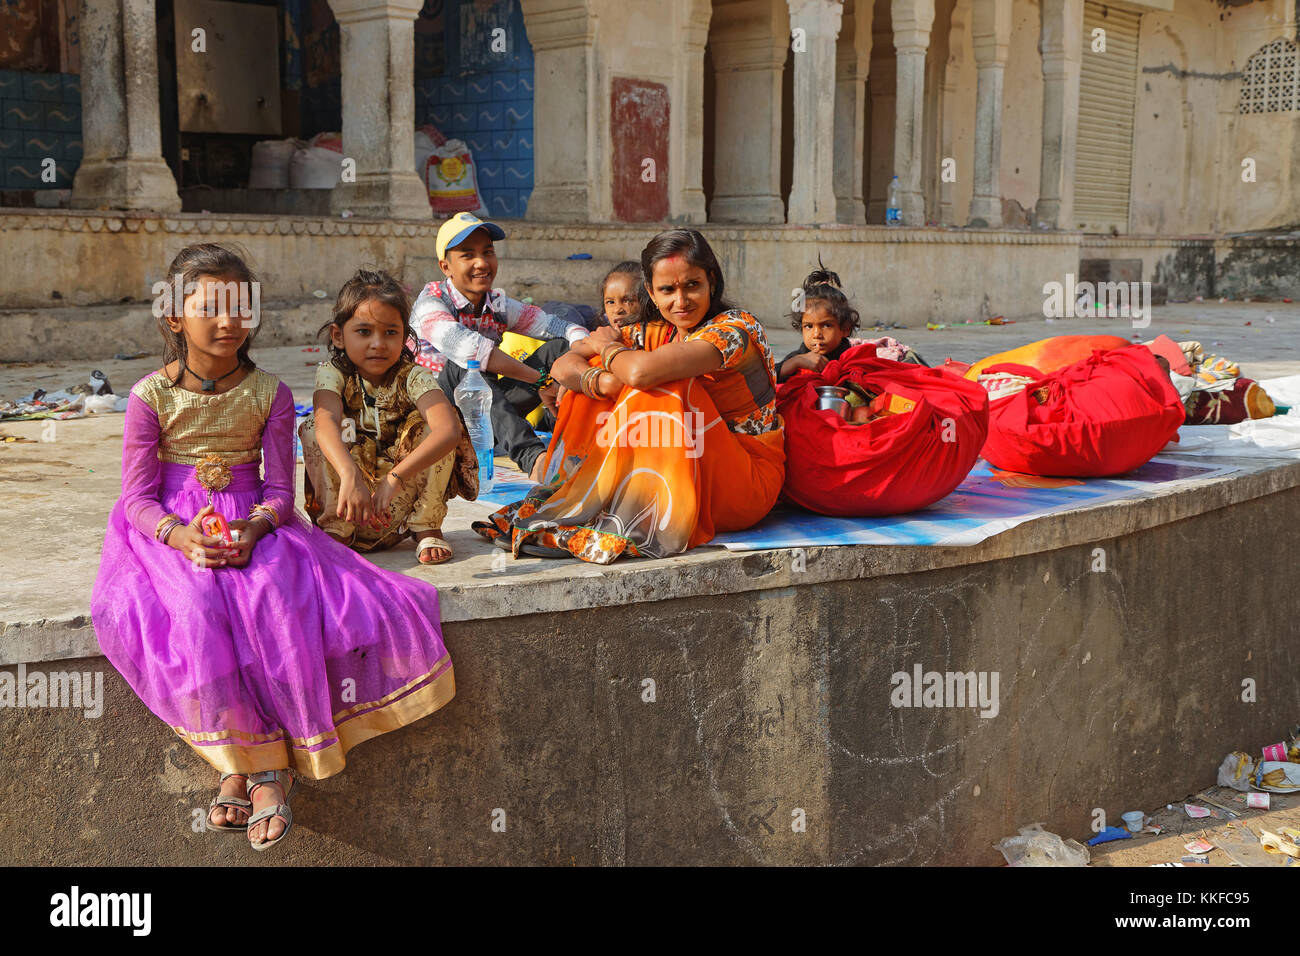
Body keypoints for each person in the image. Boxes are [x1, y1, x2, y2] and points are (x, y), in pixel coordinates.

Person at [90, 244, 456, 853]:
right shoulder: (149, 397)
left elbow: (280, 492)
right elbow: (136, 500)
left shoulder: (271, 393)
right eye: (212, 307)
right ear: (175, 317)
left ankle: (265, 769)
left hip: (253, 522)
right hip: (170, 530)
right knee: (193, 611)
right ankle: (244, 762)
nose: (230, 320)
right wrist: (181, 538)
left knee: (275, 599)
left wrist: (253, 531)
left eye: (240, 307)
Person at [472, 229, 786, 564]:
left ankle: (628, 520)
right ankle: (587, 501)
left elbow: (640, 373)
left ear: (711, 280)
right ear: (651, 291)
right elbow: (565, 364)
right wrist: (599, 381)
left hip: (743, 483)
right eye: (667, 290)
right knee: (600, 373)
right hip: (695, 470)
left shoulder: (734, 330)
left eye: (692, 285)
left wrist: (608, 350)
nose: (680, 301)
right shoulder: (659, 331)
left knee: (665, 385)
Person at [299, 269, 478, 565]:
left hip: (395, 504)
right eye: (364, 331)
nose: (378, 343)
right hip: (350, 499)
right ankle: (336, 530)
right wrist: (348, 473)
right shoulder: (333, 374)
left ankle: (426, 526)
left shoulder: (413, 377)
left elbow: (447, 430)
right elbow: (326, 422)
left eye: (390, 333)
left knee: (442, 423)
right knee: (313, 426)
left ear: (405, 338)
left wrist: (395, 478)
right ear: (338, 335)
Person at [408, 212, 590, 480]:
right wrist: (541, 382)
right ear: (445, 267)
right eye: (468, 255)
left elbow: (555, 326)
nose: (482, 263)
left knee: (560, 348)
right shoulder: (431, 302)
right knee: (468, 368)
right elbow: (472, 351)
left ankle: (586, 436)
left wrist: (568, 362)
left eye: (488, 252)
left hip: (485, 416)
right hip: (436, 416)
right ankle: (535, 459)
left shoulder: (497, 304)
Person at [597, 261, 643, 327]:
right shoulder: (602, 335)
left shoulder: (658, 335)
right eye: (611, 302)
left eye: (627, 301)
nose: (617, 310)